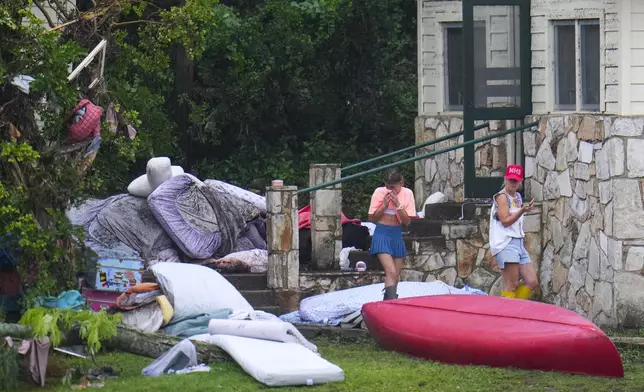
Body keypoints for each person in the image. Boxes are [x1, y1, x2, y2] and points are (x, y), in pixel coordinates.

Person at [489, 164, 538, 300]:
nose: (513, 183)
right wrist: (522, 210)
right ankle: (506, 316)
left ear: (520, 181)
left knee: (531, 282)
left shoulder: (517, 197)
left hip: (518, 243)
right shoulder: (502, 197)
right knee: (511, 285)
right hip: (505, 243)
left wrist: (523, 209)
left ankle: (512, 309)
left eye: (516, 180)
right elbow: (505, 221)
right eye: (510, 179)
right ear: (505, 179)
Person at [368, 169, 416, 300]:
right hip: (382, 233)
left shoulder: (408, 193)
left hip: (396, 234)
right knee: (391, 271)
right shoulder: (379, 192)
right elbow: (372, 218)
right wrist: (383, 206)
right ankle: (389, 302)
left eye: (393, 187)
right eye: (387, 186)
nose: (390, 190)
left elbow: (407, 221)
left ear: (401, 183)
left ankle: (389, 303)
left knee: (396, 275)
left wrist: (398, 205)